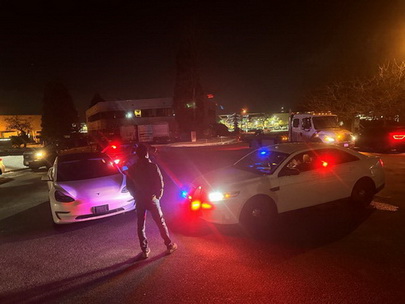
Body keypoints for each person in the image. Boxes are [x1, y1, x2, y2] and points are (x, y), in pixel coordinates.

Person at [126, 143, 177, 259]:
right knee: (160, 222)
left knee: (141, 225)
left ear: (137, 155)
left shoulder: (132, 168)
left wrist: (135, 195)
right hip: (152, 198)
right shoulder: (153, 166)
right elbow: (160, 182)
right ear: (147, 153)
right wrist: (158, 195)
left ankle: (144, 250)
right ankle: (169, 245)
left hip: (140, 199)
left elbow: (129, 185)